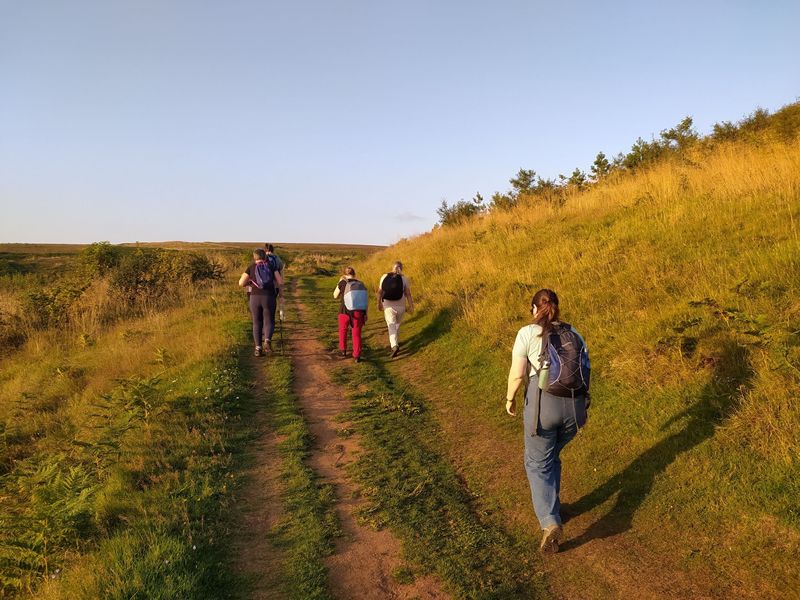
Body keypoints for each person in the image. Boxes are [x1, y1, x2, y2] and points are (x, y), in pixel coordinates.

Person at [505, 289, 590, 554]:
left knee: (536, 462)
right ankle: (554, 505)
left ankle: (550, 522)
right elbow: (585, 367)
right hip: (574, 409)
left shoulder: (527, 333)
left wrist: (510, 399)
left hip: (544, 407)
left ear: (534, 309)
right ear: (557, 308)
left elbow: (518, 375)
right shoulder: (574, 332)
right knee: (551, 455)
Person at [239, 249, 283, 356]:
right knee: (269, 320)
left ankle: (258, 349)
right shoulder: (272, 266)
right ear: (265, 257)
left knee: (256, 322)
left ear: (255, 257)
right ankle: (267, 341)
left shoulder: (251, 267)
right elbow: (280, 281)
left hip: (254, 297)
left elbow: (241, 283)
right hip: (269, 297)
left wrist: (250, 282)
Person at [377, 261, 413, 357]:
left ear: (392, 267)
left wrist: (378, 303)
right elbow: (408, 294)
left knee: (391, 325)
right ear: (402, 268)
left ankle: (394, 345)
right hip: (401, 306)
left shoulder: (384, 277)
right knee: (397, 324)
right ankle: (395, 342)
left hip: (388, 306)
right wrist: (411, 306)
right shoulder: (404, 278)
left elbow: (380, 292)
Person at [333, 266, 367, 362]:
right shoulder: (360, 284)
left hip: (344, 311)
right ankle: (356, 355)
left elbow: (335, 296)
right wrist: (365, 313)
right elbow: (365, 300)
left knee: (343, 330)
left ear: (344, 274)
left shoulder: (342, 283)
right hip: (358, 312)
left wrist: (339, 282)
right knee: (356, 333)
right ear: (354, 274)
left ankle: (343, 350)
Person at [264, 243, 286, 322]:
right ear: (273, 250)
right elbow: (281, 271)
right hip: (275, 285)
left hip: (264, 285)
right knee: (274, 301)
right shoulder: (277, 258)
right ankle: (278, 315)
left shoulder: (262, 258)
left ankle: (265, 319)